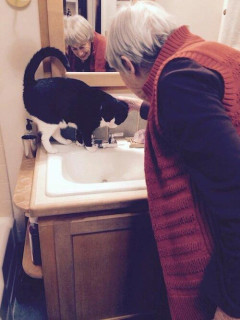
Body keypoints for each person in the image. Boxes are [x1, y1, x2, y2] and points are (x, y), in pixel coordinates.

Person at [106, 1, 240, 320]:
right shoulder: (208, 55)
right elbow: (204, 123)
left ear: (128, 64)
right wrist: (142, 108)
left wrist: (231, 303)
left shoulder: (178, 83)